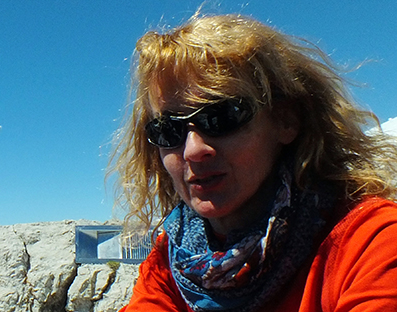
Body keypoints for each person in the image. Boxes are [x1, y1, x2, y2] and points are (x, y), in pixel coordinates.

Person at [110, 12, 397, 312]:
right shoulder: (172, 261)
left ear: (286, 120)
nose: (193, 150)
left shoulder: (370, 244)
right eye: (168, 131)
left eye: (221, 116)